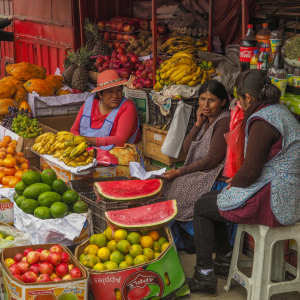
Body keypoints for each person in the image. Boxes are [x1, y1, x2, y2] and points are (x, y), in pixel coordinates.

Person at [188, 69, 300, 297]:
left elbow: (250, 171)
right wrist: (235, 182)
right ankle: (222, 259)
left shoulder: (263, 121)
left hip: (277, 198)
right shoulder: (277, 110)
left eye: (239, 100)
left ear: (247, 98)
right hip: (284, 191)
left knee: (202, 208)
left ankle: (204, 275)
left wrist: (234, 182)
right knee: (209, 201)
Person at [162, 80, 231, 252]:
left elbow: (212, 160)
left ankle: (191, 238)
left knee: (180, 193)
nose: (205, 105)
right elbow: (187, 148)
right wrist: (198, 124)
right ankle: (174, 236)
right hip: (200, 170)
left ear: (222, 102)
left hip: (212, 174)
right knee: (168, 186)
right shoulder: (207, 120)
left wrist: (180, 172)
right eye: (202, 99)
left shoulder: (224, 121)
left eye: (211, 100)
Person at [70, 70, 140, 150]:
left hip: (118, 156)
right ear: (100, 94)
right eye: (110, 92)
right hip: (86, 149)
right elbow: (74, 130)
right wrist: (79, 142)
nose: (115, 96)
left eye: (118, 90)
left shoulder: (127, 107)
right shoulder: (90, 103)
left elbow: (119, 140)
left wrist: (86, 140)